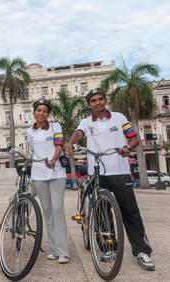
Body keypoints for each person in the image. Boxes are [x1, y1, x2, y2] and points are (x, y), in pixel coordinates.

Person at [65, 88, 155, 271]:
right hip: (96, 172)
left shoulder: (119, 117)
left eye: (100, 99)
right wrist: (70, 142)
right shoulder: (85, 121)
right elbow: (78, 133)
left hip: (119, 170)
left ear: (105, 100)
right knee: (101, 212)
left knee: (130, 212)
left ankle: (142, 251)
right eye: (93, 101)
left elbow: (133, 138)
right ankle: (108, 248)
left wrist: (127, 148)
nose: (97, 102)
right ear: (89, 104)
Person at [27, 99, 69, 264]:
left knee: (57, 209)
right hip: (38, 174)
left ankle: (63, 251)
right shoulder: (29, 131)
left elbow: (59, 144)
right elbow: (32, 151)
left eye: (44, 111)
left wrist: (53, 159)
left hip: (56, 172)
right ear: (34, 113)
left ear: (48, 114)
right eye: (38, 110)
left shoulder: (55, 127)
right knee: (47, 211)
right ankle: (54, 249)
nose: (41, 113)